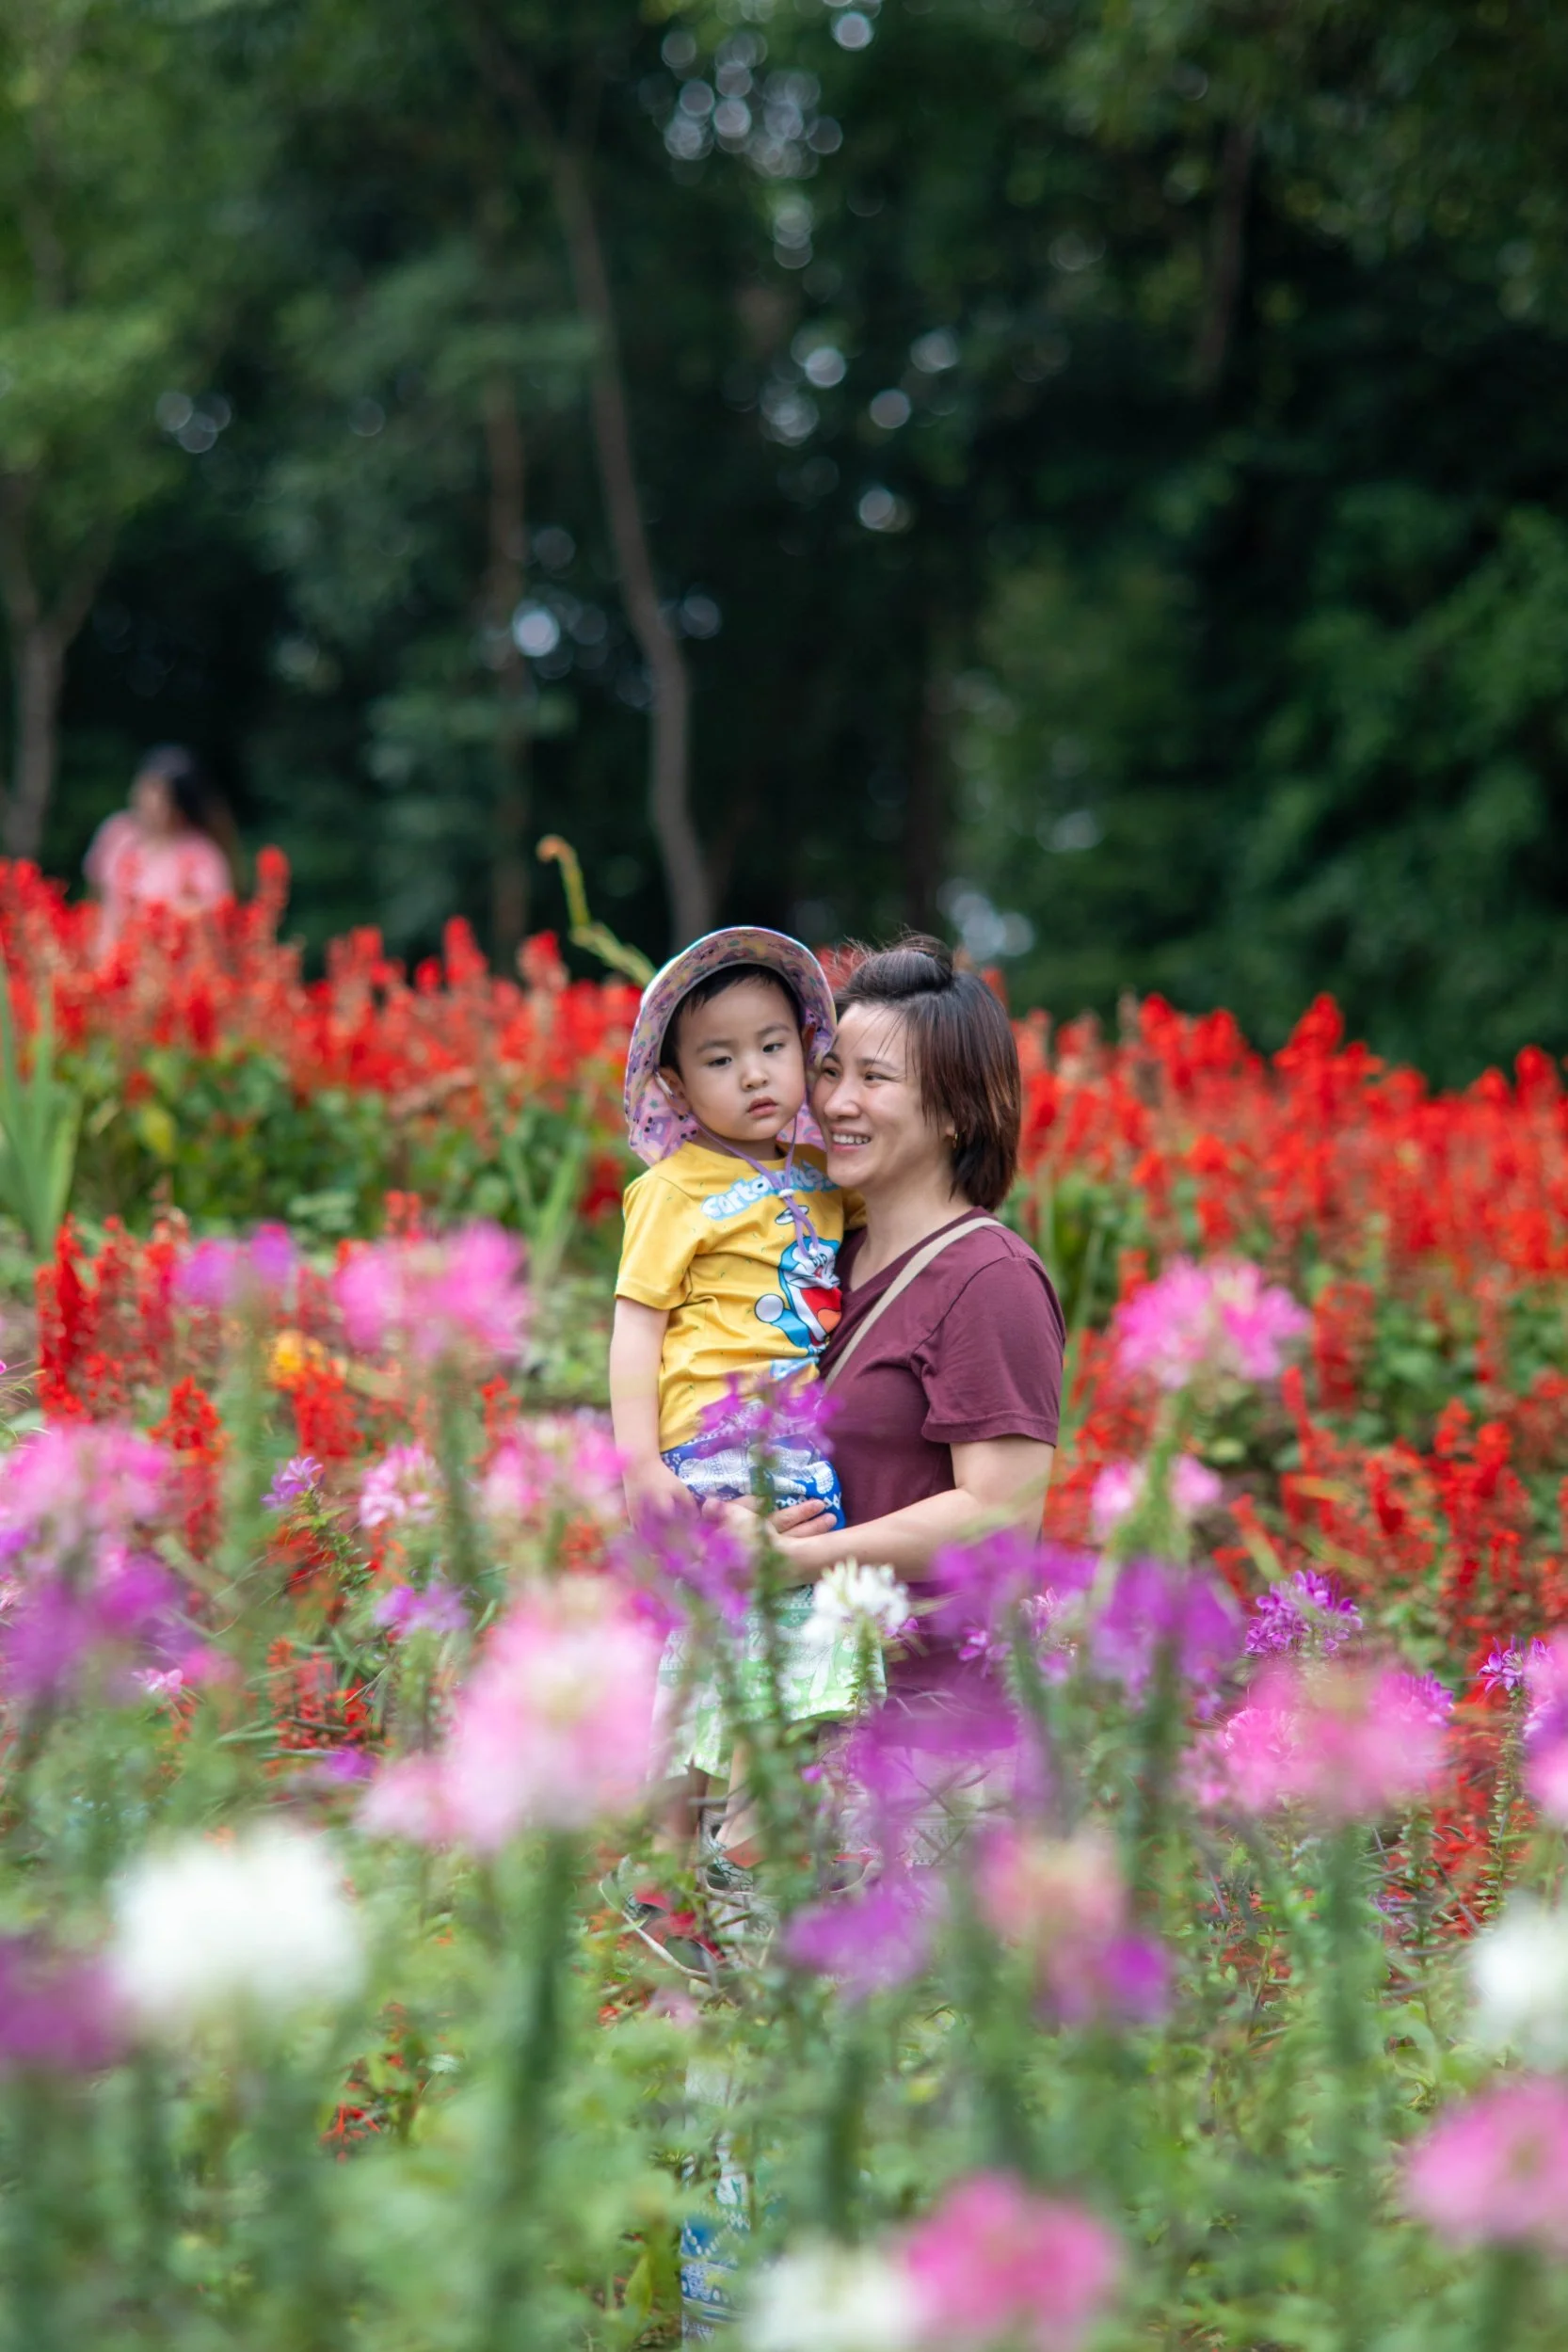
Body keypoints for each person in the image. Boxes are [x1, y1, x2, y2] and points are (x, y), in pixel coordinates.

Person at [608, 926, 868, 1818]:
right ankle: (725, 1848)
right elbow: (635, 1329)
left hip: (803, 1445)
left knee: (751, 1639)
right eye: (720, 1060)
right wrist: (640, 1464)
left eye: (772, 1047)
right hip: (717, 1442)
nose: (754, 1074)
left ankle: (699, 1851)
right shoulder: (672, 1189)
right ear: (677, 1085)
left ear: (806, 1051)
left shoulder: (825, 1178)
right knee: (751, 1629)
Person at [764, 936, 1065, 1686]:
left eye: (874, 1077)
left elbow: (1000, 1516)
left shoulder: (991, 1278)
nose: (836, 1102)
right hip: (806, 1695)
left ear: (958, 1111)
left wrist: (800, 1558)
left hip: (927, 1720)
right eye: (830, 1071)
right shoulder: (818, 1259)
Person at [84, 745, 233, 942]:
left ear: (178, 804)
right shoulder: (117, 833)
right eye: (144, 788)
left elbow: (215, 917)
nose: (145, 799)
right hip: (110, 952)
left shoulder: (201, 854)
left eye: (157, 794)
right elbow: (95, 895)